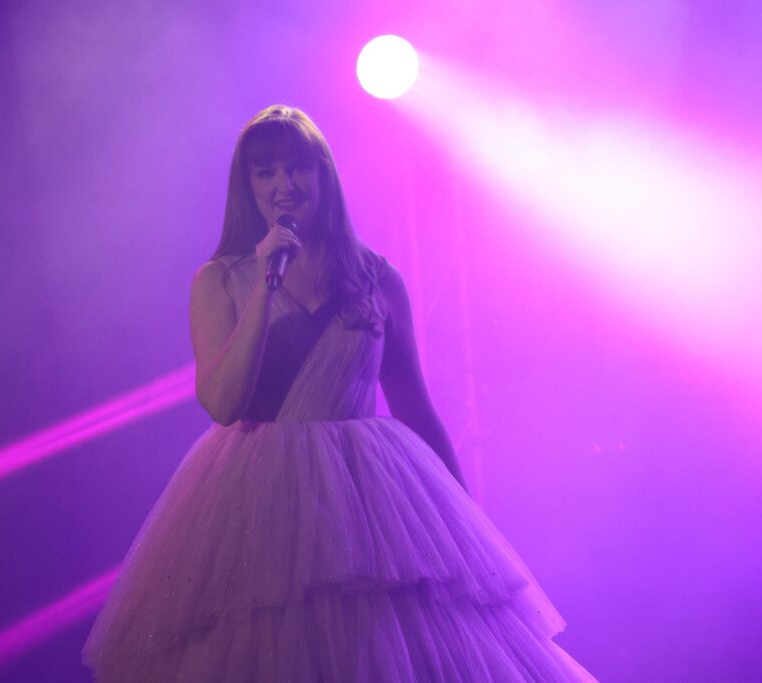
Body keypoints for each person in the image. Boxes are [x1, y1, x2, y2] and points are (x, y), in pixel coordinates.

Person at [81, 105, 598, 682]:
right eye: (266, 172)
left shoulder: (377, 277)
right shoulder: (220, 280)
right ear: (247, 186)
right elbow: (223, 404)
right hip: (257, 502)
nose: (284, 185)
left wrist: (467, 527)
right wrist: (265, 283)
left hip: (373, 499)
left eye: (298, 168)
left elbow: (416, 408)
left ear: (323, 174)